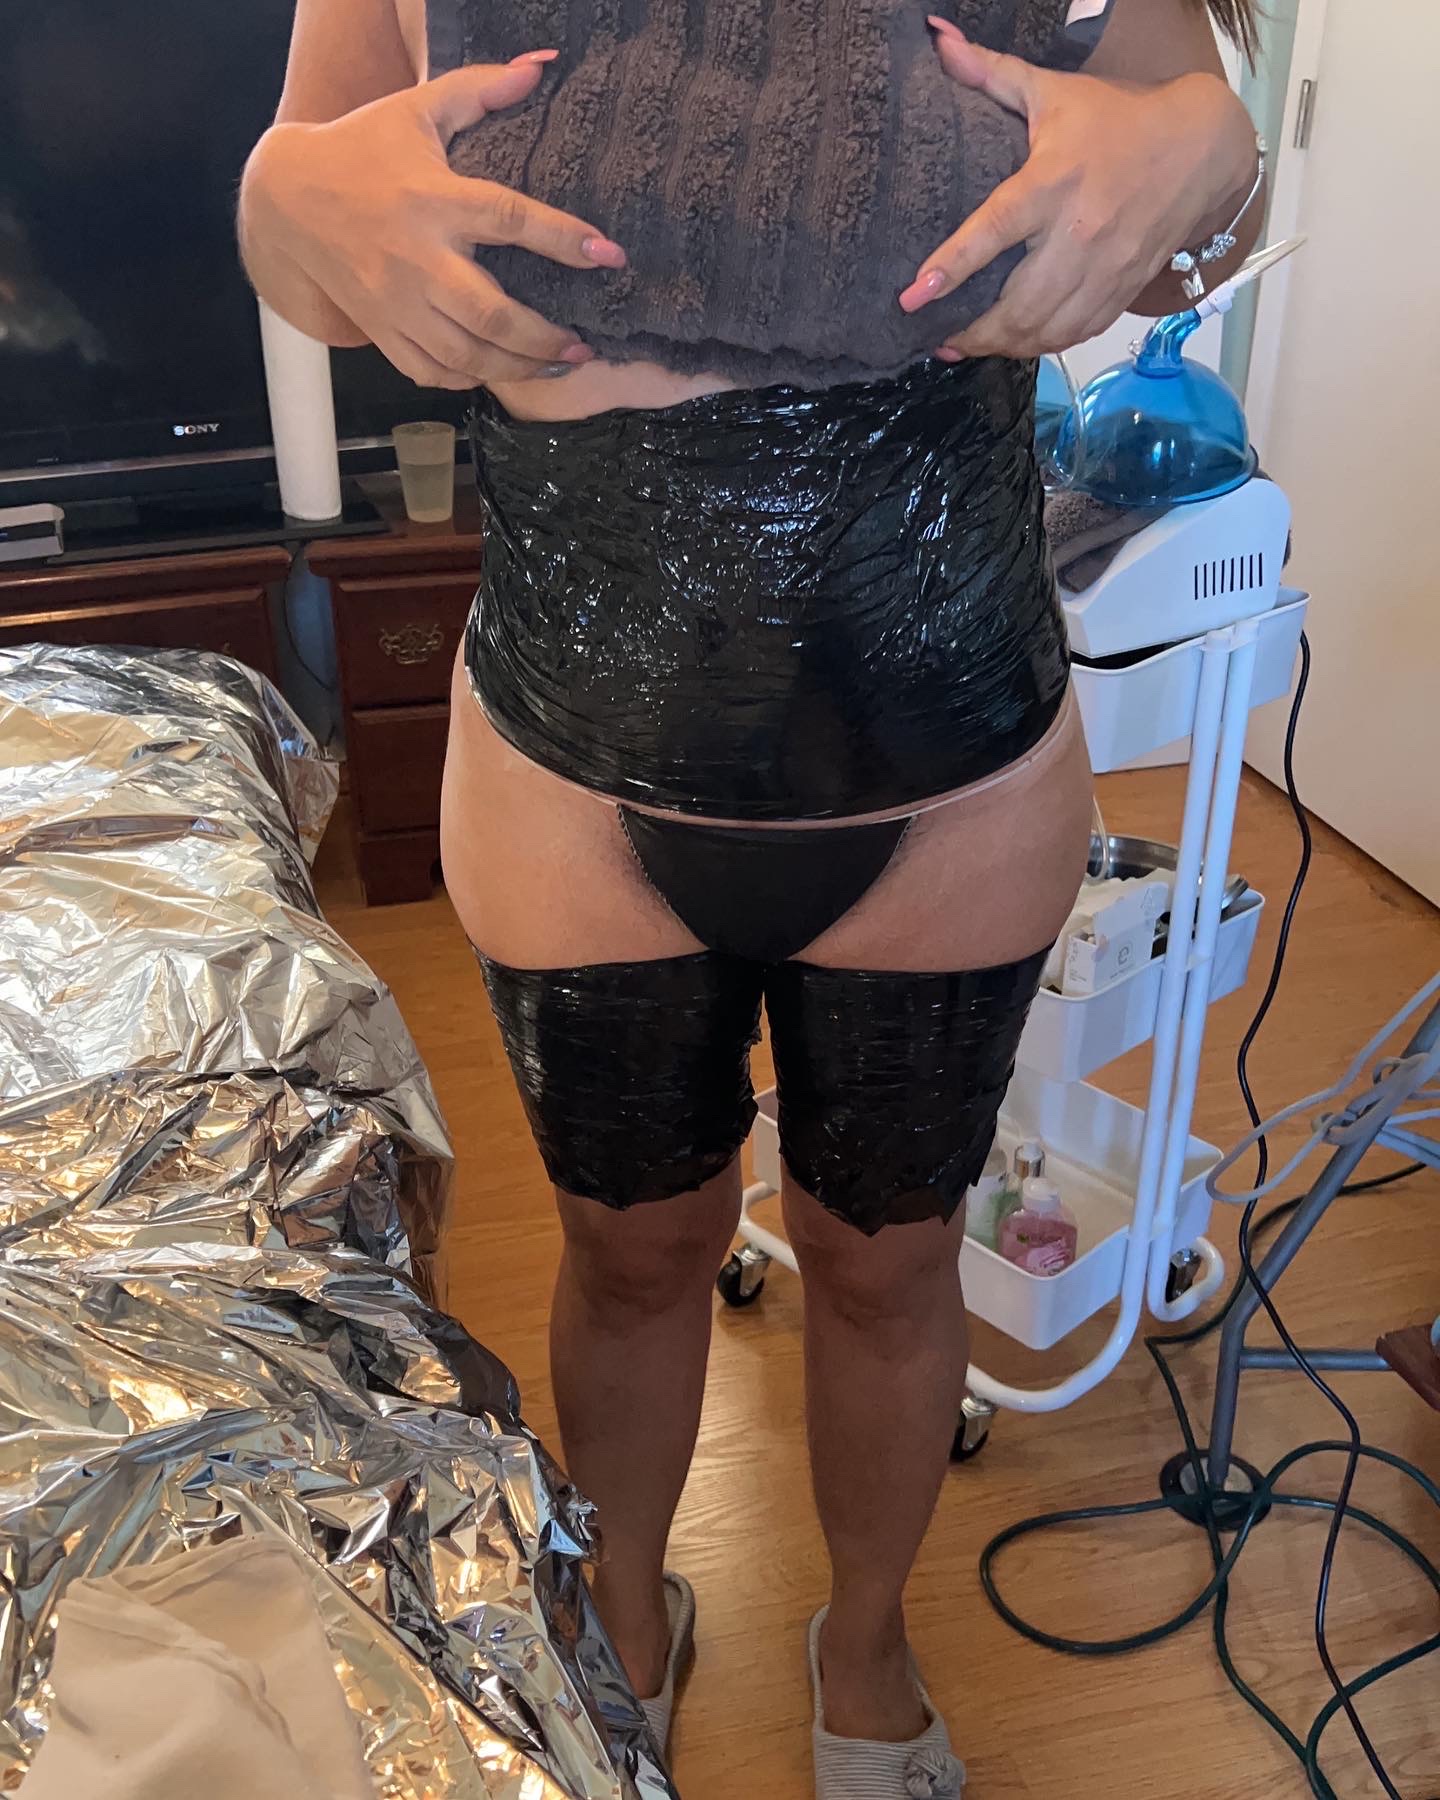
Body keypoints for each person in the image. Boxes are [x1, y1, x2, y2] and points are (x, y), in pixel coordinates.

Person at [241, 4, 1261, 1791]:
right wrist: (278, 200)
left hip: (949, 758)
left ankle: (863, 1643)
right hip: (573, 763)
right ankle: (628, 1614)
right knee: (630, 1252)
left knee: (892, 1261)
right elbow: (305, 220)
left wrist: (1211, 148)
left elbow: (1204, 216)